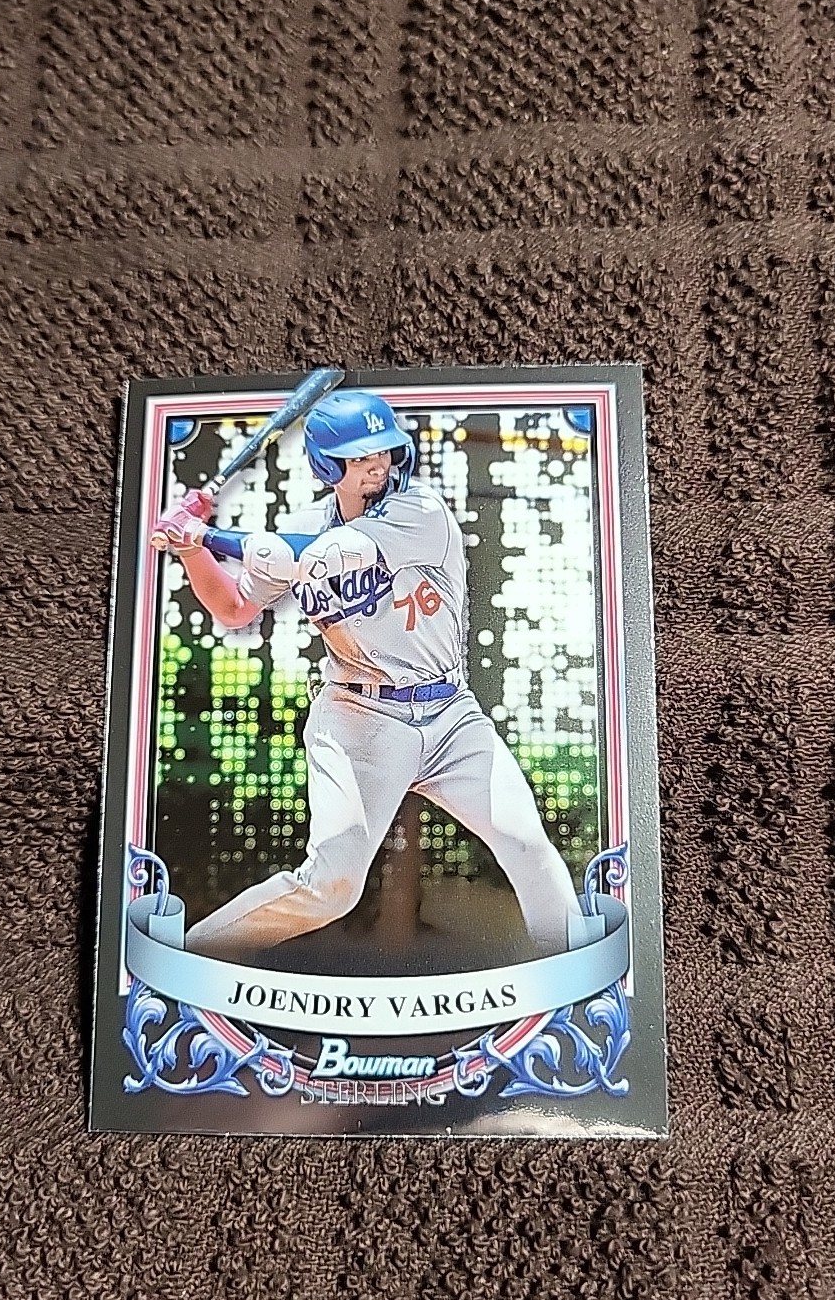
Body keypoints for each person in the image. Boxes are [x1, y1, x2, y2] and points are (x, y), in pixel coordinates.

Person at [153, 387, 606, 959]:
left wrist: (205, 535)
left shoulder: (420, 512)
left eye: (383, 450)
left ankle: (570, 977)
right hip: (360, 719)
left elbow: (317, 555)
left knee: (526, 844)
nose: (377, 464)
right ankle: (190, 958)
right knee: (331, 890)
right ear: (327, 465)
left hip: (450, 715)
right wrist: (191, 553)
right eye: (359, 456)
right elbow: (235, 608)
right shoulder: (303, 524)